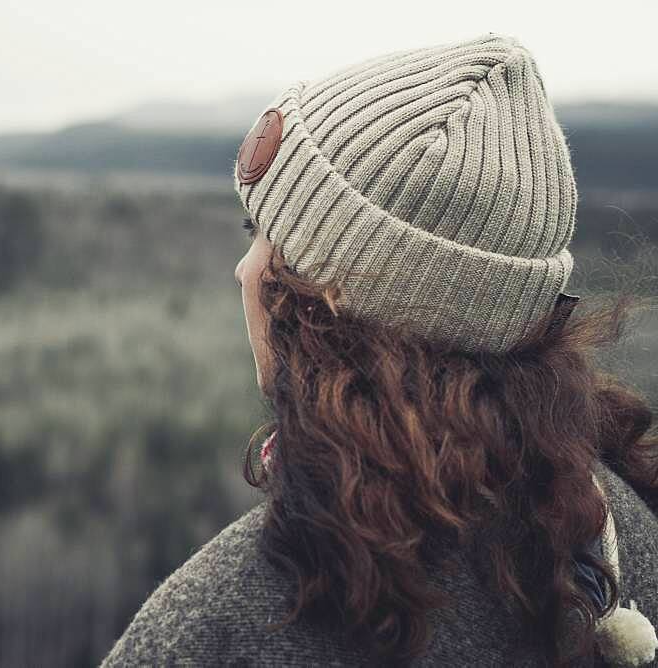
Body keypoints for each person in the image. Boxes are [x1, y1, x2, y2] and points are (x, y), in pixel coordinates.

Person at [100, 32, 658, 667]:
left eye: (263, 237)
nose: (244, 271)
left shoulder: (224, 623)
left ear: (337, 294)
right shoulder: (614, 539)